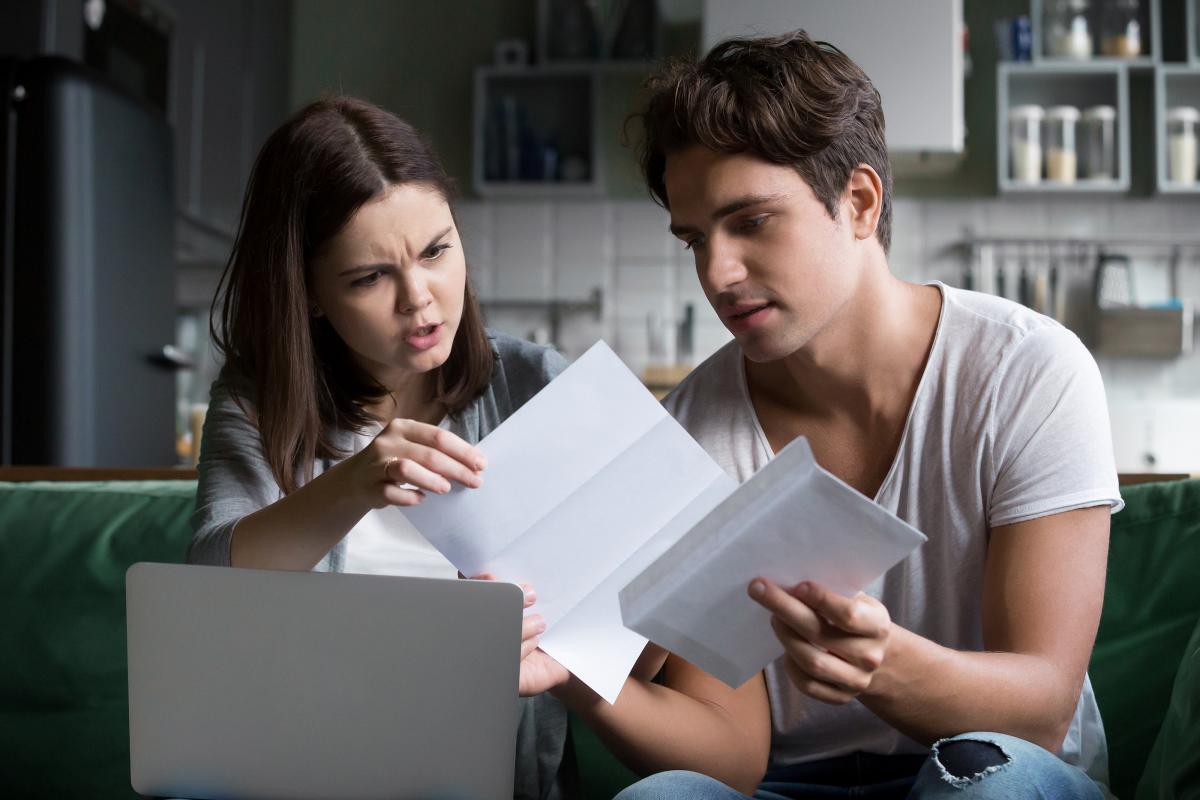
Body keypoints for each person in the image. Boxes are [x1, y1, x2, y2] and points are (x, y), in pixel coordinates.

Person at [188, 96, 769, 799]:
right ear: (308, 292)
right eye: (370, 277)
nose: (420, 300)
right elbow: (208, 589)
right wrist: (350, 486)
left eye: (436, 251)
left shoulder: (539, 387)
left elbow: (674, 620)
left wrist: (576, 649)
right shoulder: (260, 401)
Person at [616, 30, 1122, 800]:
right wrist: (583, 674)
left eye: (751, 222)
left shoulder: (1027, 371)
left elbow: (1044, 711)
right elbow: (733, 750)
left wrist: (883, 665)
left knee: (987, 785)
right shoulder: (691, 432)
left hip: (990, 764)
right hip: (793, 784)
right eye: (695, 239)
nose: (716, 275)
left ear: (859, 201)